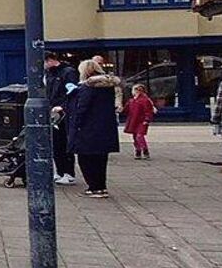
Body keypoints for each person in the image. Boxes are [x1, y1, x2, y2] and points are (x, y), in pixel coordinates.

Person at [56, 58, 121, 198]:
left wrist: (72, 118)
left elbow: (81, 108)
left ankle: (93, 187)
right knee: (101, 160)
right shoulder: (107, 87)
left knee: (86, 159)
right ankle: (101, 187)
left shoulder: (87, 88)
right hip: (104, 129)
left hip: (87, 129)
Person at [45, 51, 76, 185]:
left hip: (64, 113)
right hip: (53, 112)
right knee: (56, 144)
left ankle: (68, 173)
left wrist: (63, 106)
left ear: (50, 60)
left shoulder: (68, 72)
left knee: (65, 143)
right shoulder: (50, 74)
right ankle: (60, 171)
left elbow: (72, 92)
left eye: (44, 63)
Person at [123, 84, 156, 159]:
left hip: (141, 121)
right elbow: (126, 109)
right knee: (135, 137)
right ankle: (138, 150)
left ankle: (145, 150)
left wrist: (147, 119)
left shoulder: (144, 100)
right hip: (134, 120)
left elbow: (148, 111)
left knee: (139, 136)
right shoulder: (132, 100)